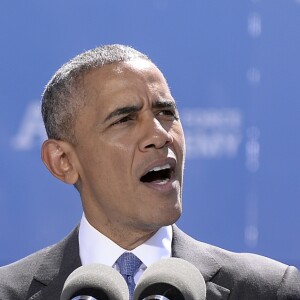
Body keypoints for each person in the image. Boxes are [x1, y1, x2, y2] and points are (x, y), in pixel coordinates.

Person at [0, 44, 299, 300]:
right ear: (62, 160)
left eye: (166, 113)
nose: (160, 135)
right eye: (124, 120)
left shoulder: (270, 288)